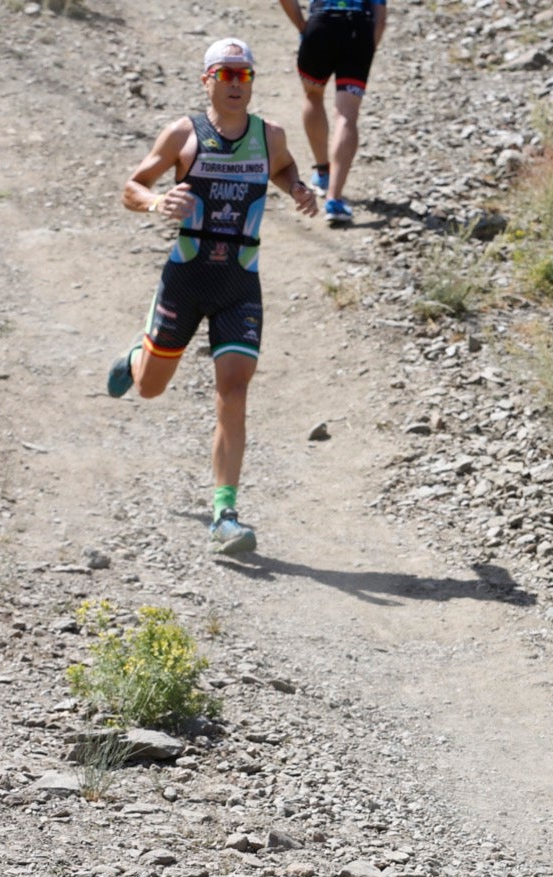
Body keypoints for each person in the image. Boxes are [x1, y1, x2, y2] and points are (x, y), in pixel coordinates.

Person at [108, 37, 318, 555]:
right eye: (224, 74)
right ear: (207, 80)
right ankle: (139, 354)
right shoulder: (184, 133)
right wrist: (158, 201)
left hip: (240, 282)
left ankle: (225, 513)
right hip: (186, 277)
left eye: (243, 75)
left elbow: (285, 166)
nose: (234, 83)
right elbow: (132, 186)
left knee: (234, 388)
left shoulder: (269, 136)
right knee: (152, 387)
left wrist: (295, 188)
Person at [276, 0, 387, 227]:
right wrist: (366, 50)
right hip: (359, 27)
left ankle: (322, 171)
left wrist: (302, 26)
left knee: (313, 96)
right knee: (347, 115)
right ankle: (334, 198)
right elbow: (381, 17)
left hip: (322, 24)